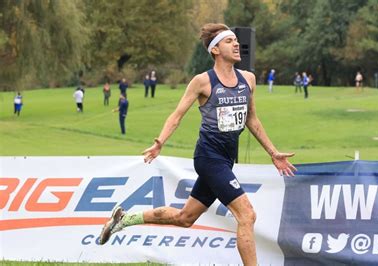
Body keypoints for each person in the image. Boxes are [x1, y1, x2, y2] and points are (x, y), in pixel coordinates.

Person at [99, 23, 297, 265]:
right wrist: (160, 142)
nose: (236, 44)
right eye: (229, 41)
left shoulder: (249, 79)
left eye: (236, 40)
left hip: (226, 159)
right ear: (215, 50)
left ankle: (124, 219)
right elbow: (177, 115)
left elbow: (251, 119)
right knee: (247, 215)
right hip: (208, 158)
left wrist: (273, 152)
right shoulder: (203, 81)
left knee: (185, 217)